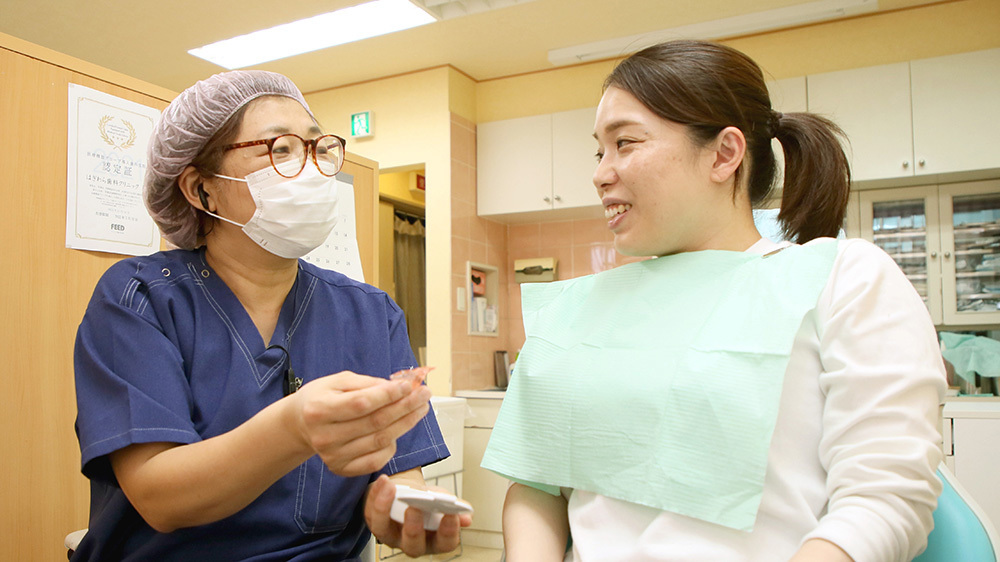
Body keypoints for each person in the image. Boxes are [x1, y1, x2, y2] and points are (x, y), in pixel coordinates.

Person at [483, 40, 945, 562]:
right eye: (599, 150)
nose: (600, 173)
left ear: (724, 154)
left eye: (626, 143)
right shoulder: (581, 309)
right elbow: (540, 485)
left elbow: (885, 495)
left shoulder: (841, 277)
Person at [73, 70, 470, 560]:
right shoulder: (140, 299)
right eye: (281, 150)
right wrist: (294, 428)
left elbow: (400, 480)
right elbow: (159, 496)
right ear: (202, 190)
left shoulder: (370, 314)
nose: (311, 170)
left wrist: (405, 516)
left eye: (316, 148)